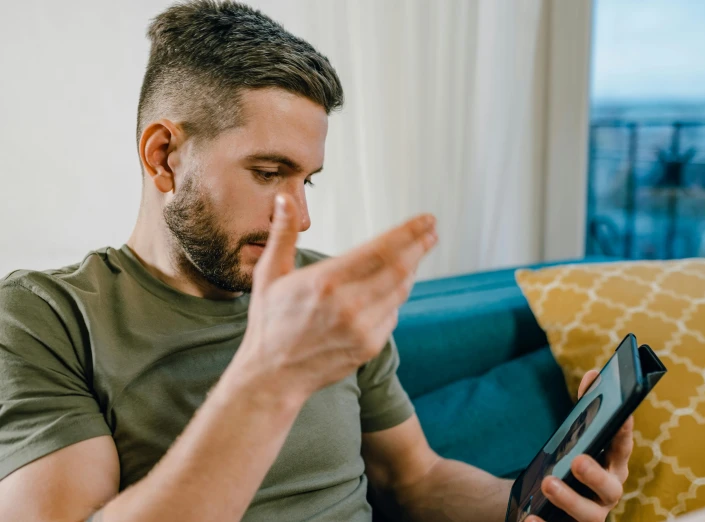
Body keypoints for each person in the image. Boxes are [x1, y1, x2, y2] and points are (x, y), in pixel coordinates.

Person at [0, 2, 633, 521]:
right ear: (164, 156)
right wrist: (272, 374)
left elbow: (414, 479)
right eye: (269, 172)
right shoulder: (44, 318)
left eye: (309, 180)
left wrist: (533, 500)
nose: (300, 217)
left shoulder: (329, 294)